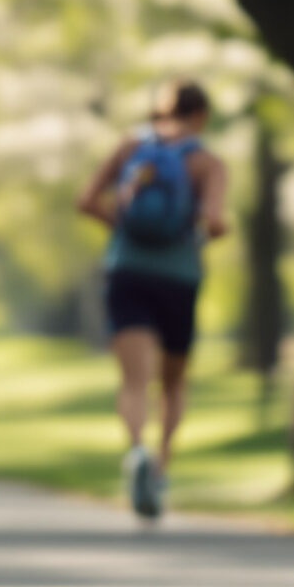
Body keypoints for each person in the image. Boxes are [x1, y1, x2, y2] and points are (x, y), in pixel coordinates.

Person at [77, 80, 228, 522]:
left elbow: (86, 200)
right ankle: (160, 466)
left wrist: (123, 228)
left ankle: (135, 450)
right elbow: (214, 221)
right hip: (179, 277)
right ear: (201, 115)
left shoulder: (130, 147)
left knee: (133, 381)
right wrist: (208, 232)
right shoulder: (206, 162)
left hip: (126, 271)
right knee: (173, 382)